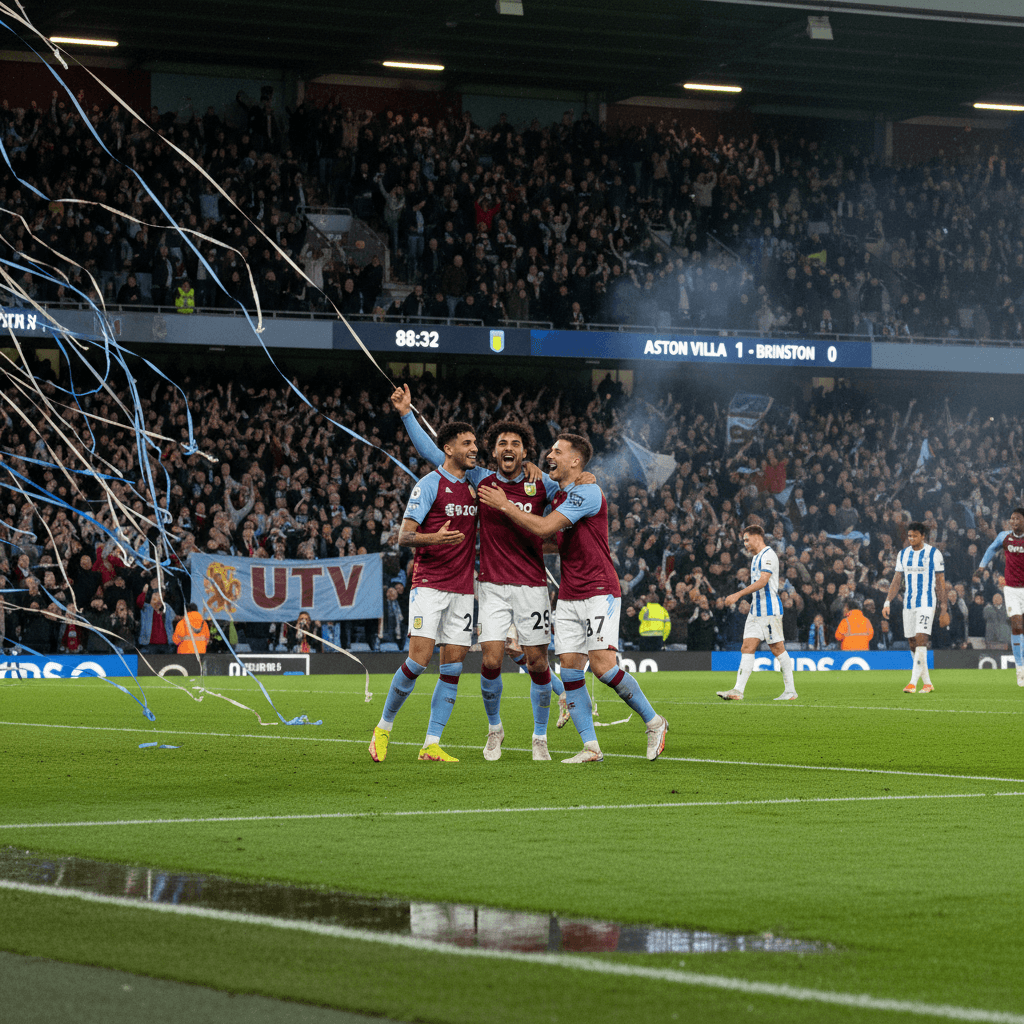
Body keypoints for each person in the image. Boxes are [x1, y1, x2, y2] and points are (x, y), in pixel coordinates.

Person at [392, 383, 588, 760]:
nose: (508, 448)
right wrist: (406, 414)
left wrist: (584, 478)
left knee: (536, 662)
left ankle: (539, 737)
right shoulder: (481, 479)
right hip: (492, 585)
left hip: (532, 585)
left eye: (515, 443)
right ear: (493, 450)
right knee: (491, 660)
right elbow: (435, 453)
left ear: (525, 451)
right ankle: (494, 729)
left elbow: (567, 492)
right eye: (501, 443)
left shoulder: (540, 483)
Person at [478, 432, 669, 763]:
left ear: (575, 461)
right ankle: (591, 747)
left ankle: (654, 722)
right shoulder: (558, 496)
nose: (549, 454)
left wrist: (505, 506)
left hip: (599, 591)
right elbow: (550, 540)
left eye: (557, 451)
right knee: (569, 672)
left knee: (603, 668)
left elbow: (543, 529)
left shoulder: (588, 493)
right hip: (568, 594)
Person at [369, 419, 479, 764]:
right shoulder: (429, 485)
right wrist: (436, 538)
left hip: (463, 589)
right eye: (466, 443)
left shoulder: (476, 485)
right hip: (430, 585)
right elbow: (403, 536)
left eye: (475, 442)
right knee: (418, 660)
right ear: (448, 450)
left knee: (454, 666)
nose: (474, 448)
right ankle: (383, 729)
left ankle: (431, 744)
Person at [716, 524, 799, 702]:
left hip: (769, 610)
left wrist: (738, 594)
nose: (745, 543)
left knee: (777, 649)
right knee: (746, 647)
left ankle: (790, 690)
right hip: (756, 610)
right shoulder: (755, 558)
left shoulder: (768, 555)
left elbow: (763, 581)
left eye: (747, 539)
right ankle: (738, 690)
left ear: (757, 537)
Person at [882, 521, 949, 694]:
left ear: (923, 536)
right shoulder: (903, 554)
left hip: (927, 603)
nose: (911, 538)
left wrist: (943, 608)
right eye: (909, 536)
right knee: (912, 643)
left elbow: (941, 583)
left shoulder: (934, 554)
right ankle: (927, 683)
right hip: (909, 604)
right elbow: (897, 579)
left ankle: (912, 683)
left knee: (921, 639)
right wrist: (887, 601)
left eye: (914, 536)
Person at [978, 507, 1024, 685]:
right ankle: (1020, 670)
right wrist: (982, 566)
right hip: (1012, 588)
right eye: (1012, 519)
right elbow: (991, 549)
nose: (1013, 522)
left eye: (1017, 519)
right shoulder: (1004, 536)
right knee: (1016, 624)